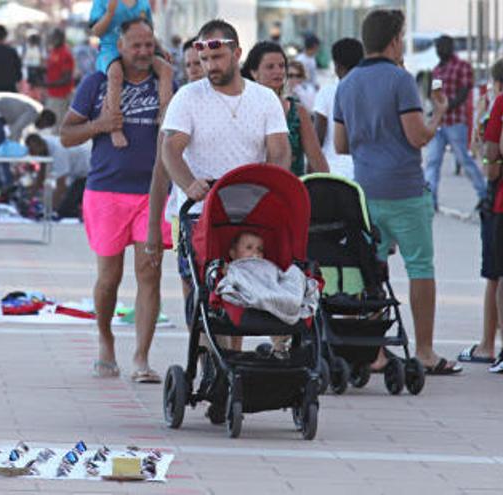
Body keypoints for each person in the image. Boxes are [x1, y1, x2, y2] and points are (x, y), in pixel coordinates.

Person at [150, 19, 291, 354]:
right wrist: (189, 183)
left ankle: (233, 362)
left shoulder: (264, 100)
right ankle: (207, 360)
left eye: (218, 58)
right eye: (204, 61)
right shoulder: (189, 97)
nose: (210, 67)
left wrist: (270, 186)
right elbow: (170, 149)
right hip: (199, 212)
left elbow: (281, 151)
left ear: (237, 53)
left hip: (249, 210)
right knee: (201, 294)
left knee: (241, 290)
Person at [333, 8, 461, 375]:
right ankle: (424, 351)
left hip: (365, 191)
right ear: (393, 40)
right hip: (404, 189)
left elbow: (341, 144)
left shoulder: (348, 83)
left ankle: (373, 351)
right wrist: (438, 113)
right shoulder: (401, 80)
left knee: (373, 270)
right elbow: (417, 136)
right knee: (420, 267)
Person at [60, 18, 172, 383]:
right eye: (136, 45)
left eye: (148, 45)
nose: (143, 52)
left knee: (149, 274)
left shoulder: (168, 85)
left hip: (152, 194)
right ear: (119, 48)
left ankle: (141, 357)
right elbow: (66, 136)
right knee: (109, 278)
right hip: (105, 192)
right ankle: (105, 339)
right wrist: (100, 125)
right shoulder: (95, 84)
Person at [147, 36, 205, 303]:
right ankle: (200, 345)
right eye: (189, 64)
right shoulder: (177, 105)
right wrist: (153, 228)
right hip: (185, 213)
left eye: (199, 62)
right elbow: (161, 171)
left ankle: (230, 347)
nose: (194, 69)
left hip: (227, 211)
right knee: (193, 294)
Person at [90, 0, 174, 149]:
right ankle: (115, 125)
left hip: (138, 50)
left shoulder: (143, 3)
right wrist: (109, 13)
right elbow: (96, 31)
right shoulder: (102, 2)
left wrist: (160, 49)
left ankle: (164, 116)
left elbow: (148, 32)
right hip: (111, 50)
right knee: (116, 73)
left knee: (166, 69)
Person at [243, 41, 328, 176]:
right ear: (254, 73)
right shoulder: (241, 110)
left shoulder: (297, 111)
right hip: (252, 189)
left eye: (282, 66)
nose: (278, 71)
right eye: (270, 67)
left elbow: (318, 161)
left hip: (291, 190)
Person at [424, 35, 487, 210]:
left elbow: (465, 91)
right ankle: (431, 200)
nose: (438, 51)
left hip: (455, 122)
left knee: (464, 160)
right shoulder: (437, 70)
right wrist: (436, 107)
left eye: (441, 47)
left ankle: (484, 194)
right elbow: (435, 93)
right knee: (432, 161)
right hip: (439, 123)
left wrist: (447, 106)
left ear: (450, 48)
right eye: (437, 47)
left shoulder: (462, 66)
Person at [470, 58, 503, 371]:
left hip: (500, 204)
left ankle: (489, 345)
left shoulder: (499, 106)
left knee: (496, 275)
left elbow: (490, 167)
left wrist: (481, 141)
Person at [0, 92, 57, 188]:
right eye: (44, 126)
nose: (41, 128)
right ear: (44, 120)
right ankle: (6, 185)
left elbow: (15, 128)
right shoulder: (34, 113)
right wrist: (14, 152)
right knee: (2, 153)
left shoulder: (34, 109)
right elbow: (16, 129)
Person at [313, 38, 364, 179]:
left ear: (336, 65)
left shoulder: (327, 92)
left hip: (334, 172)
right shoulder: (372, 91)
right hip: (365, 170)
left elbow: (318, 138)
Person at [25, 133, 90, 218]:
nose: (33, 155)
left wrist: (49, 208)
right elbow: (42, 173)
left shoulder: (59, 152)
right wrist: (30, 195)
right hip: (77, 173)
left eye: (33, 152)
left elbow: (61, 186)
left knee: (65, 209)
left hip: (88, 173)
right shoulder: (43, 143)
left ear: (39, 145)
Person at [44, 28, 75, 135]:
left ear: (60, 38)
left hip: (61, 95)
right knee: (53, 125)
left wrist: (47, 84)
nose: (51, 39)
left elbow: (66, 79)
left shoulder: (65, 54)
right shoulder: (53, 51)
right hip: (52, 93)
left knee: (58, 125)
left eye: (54, 37)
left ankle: (59, 149)